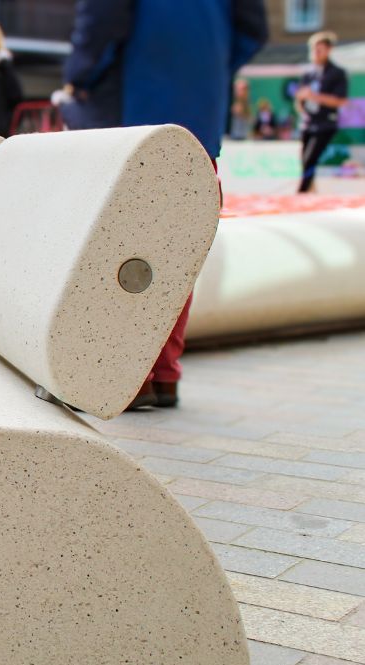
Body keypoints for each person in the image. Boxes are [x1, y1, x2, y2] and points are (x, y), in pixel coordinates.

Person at [61, 0, 267, 411]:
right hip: (199, 115)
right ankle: (165, 373)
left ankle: (128, 377)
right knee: (178, 247)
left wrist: (79, 78)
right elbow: (253, 29)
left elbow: (102, 23)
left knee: (118, 247)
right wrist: (208, 68)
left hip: (133, 110)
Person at [296, 31, 349, 194]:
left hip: (326, 123)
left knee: (310, 159)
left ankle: (302, 193)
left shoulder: (337, 73)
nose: (316, 53)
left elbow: (340, 100)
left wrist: (315, 96)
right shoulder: (308, 73)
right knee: (305, 161)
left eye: (320, 49)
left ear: (328, 50)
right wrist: (301, 105)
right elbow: (300, 99)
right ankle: (310, 190)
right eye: (314, 49)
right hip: (308, 123)